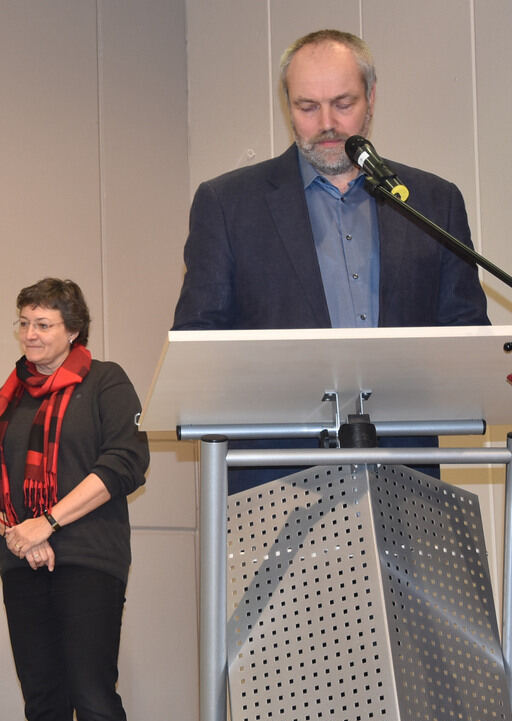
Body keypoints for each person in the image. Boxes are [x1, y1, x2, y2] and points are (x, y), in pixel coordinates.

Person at [172, 28, 490, 490]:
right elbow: (199, 347)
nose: (327, 124)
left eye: (343, 104)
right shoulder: (228, 204)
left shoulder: (432, 202)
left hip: (406, 479)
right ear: (287, 105)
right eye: (307, 107)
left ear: (371, 98)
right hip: (275, 486)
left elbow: (464, 336)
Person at [0, 278, 150, 721]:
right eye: (24, 322)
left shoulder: (105, 382)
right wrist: (19, 533)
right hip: (22, 565)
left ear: (73, 330)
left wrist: (48, 522)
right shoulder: (10, 396)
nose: (30, 333)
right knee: (43, 705)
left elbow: (125, 462)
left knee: (92, 697)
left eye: (43, 324)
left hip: (89, 561)